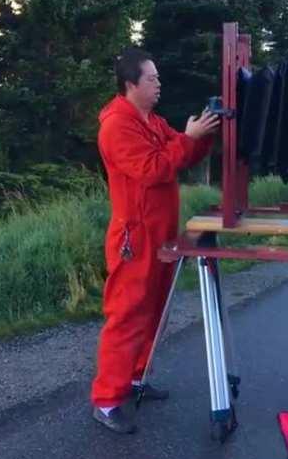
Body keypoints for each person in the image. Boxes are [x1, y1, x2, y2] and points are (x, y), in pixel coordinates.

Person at [91, 46, 220, 434]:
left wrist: (202, 134)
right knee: (128, 315)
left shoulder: (149, 119)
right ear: (131, 84)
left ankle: (134, 378)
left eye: (158, 78)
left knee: (154, 312)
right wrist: (187, 139)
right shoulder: (117, 125)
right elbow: (152, 169)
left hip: (160, 232)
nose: (158, 84)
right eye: (152, 78)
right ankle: (107, 400)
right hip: (136, 237)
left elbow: (179, 154)